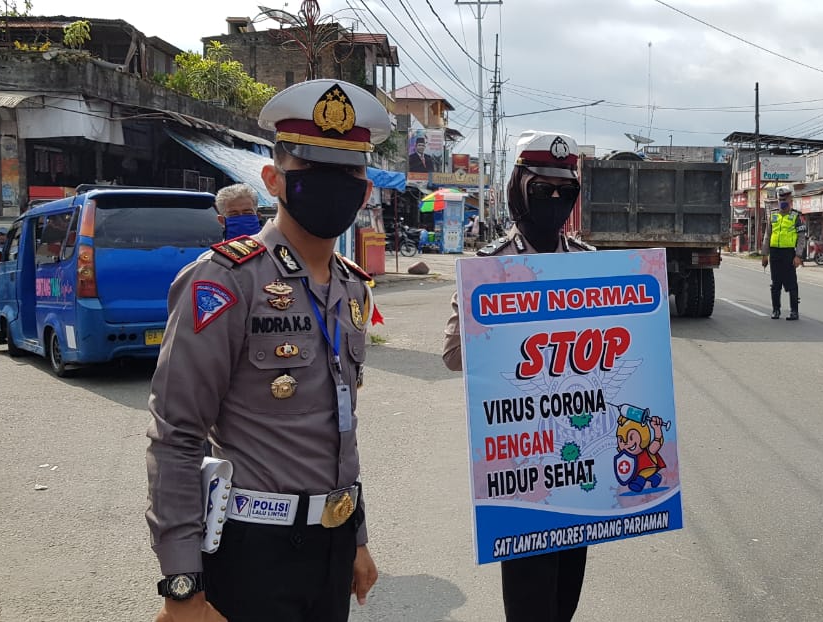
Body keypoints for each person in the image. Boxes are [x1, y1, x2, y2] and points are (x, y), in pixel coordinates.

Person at [146, 78, 389, 622]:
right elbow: (177, 434)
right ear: (273, 179)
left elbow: (340, 429)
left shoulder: (352, 287)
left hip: (332, 547)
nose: (334, 186)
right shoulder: (226, 281)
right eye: (313, 170)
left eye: (348, 173)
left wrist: (356, 536)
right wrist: (181, 586)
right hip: (253, 549)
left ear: (365, 191)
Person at [442, 129, 594, 622]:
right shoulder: (491, 268)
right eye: (542, 189)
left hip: (580, 454)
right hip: (521, 460)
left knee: (566, 595)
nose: (554, 200)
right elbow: (453, 355)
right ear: (517, 189)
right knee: (529, 601)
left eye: (565, 191)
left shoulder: (592, 265)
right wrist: (506, 325)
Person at [760, 186, 806, 320]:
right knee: (775, 284)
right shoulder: (773, 215)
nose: (782, 202)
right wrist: (764, 254)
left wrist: (798, 256)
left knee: (791, 284)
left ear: (790, 200)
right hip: (775, 253)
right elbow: (767, 235)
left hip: (789, 254)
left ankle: (794, 312)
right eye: (780, 199)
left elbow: (801, 238)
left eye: (784, 199)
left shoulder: (796, 216)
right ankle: (776, 310)